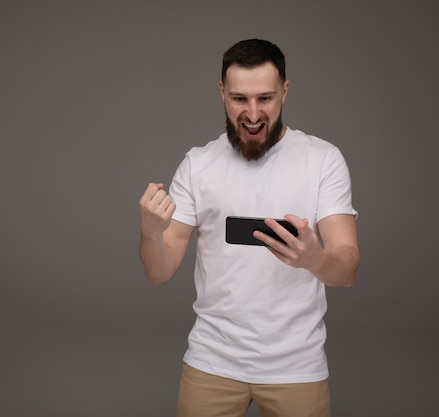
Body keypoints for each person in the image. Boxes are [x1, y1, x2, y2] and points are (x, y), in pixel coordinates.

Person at [138, 39, 360, 417]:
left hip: (296, 366)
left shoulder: (323, 160)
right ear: (222, 92)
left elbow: (348, 267)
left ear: (285, 92)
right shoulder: (197, 164)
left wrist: (315, 259)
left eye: (266, 98)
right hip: (213, 361)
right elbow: (159, 272)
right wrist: (150, 234)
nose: (253, 114)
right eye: (240, 98)